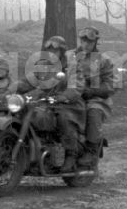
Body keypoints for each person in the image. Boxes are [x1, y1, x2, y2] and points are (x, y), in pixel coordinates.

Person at [19, 36, 86, 168]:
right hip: (48, 101)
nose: (51, 54)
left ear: (61, 51)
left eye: (55, 51)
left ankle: (71, 153)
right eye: (48, 50)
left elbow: (76, 87)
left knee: (63, 118)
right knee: (22, 110)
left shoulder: (72, 65)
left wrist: (61, 97)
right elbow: (29, 81)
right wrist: (12, 89)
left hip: (70, 104)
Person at [72, 26, 116, 168]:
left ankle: (91, 150)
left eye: (89, 42)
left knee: (93, 111)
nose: (85, 45)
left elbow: (112, 85)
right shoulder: (70, 56)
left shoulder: (104, 60)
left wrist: (92, 91)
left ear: (95, 43)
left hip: (96, 98)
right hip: (72, 95)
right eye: (83, 41)